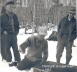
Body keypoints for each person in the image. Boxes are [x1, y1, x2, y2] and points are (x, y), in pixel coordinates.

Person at [1, 1, 21, 66]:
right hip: (6, 35)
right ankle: (8, 61)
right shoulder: (2, 16)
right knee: (6, 49)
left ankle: (18, 60)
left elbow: (17, 25)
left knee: (15, 48)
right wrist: (3, 31)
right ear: (6, 7)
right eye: (10, 7)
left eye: (12, 7)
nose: (11, 8)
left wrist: (16, 32)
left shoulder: (15, 16)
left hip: (13, 35)